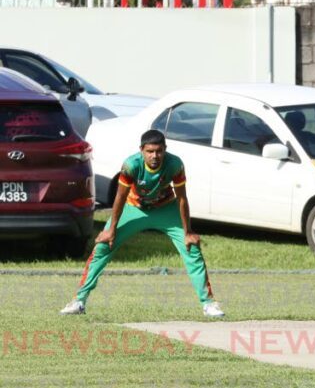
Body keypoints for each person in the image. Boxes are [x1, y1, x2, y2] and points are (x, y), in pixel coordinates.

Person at [60, 129, 223, 317]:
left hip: (165, 208)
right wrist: (111, 229)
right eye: (150, 151)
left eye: (159, 151)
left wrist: (188, 232)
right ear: (141, 150)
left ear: (165, 150)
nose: (155, 156)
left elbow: (182, 199)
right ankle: (79, 301)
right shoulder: (131, 165)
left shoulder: (175, 164)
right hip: (133, 207)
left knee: (191, 248)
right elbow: (120, 197)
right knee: (103, 246)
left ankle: (209, 304)